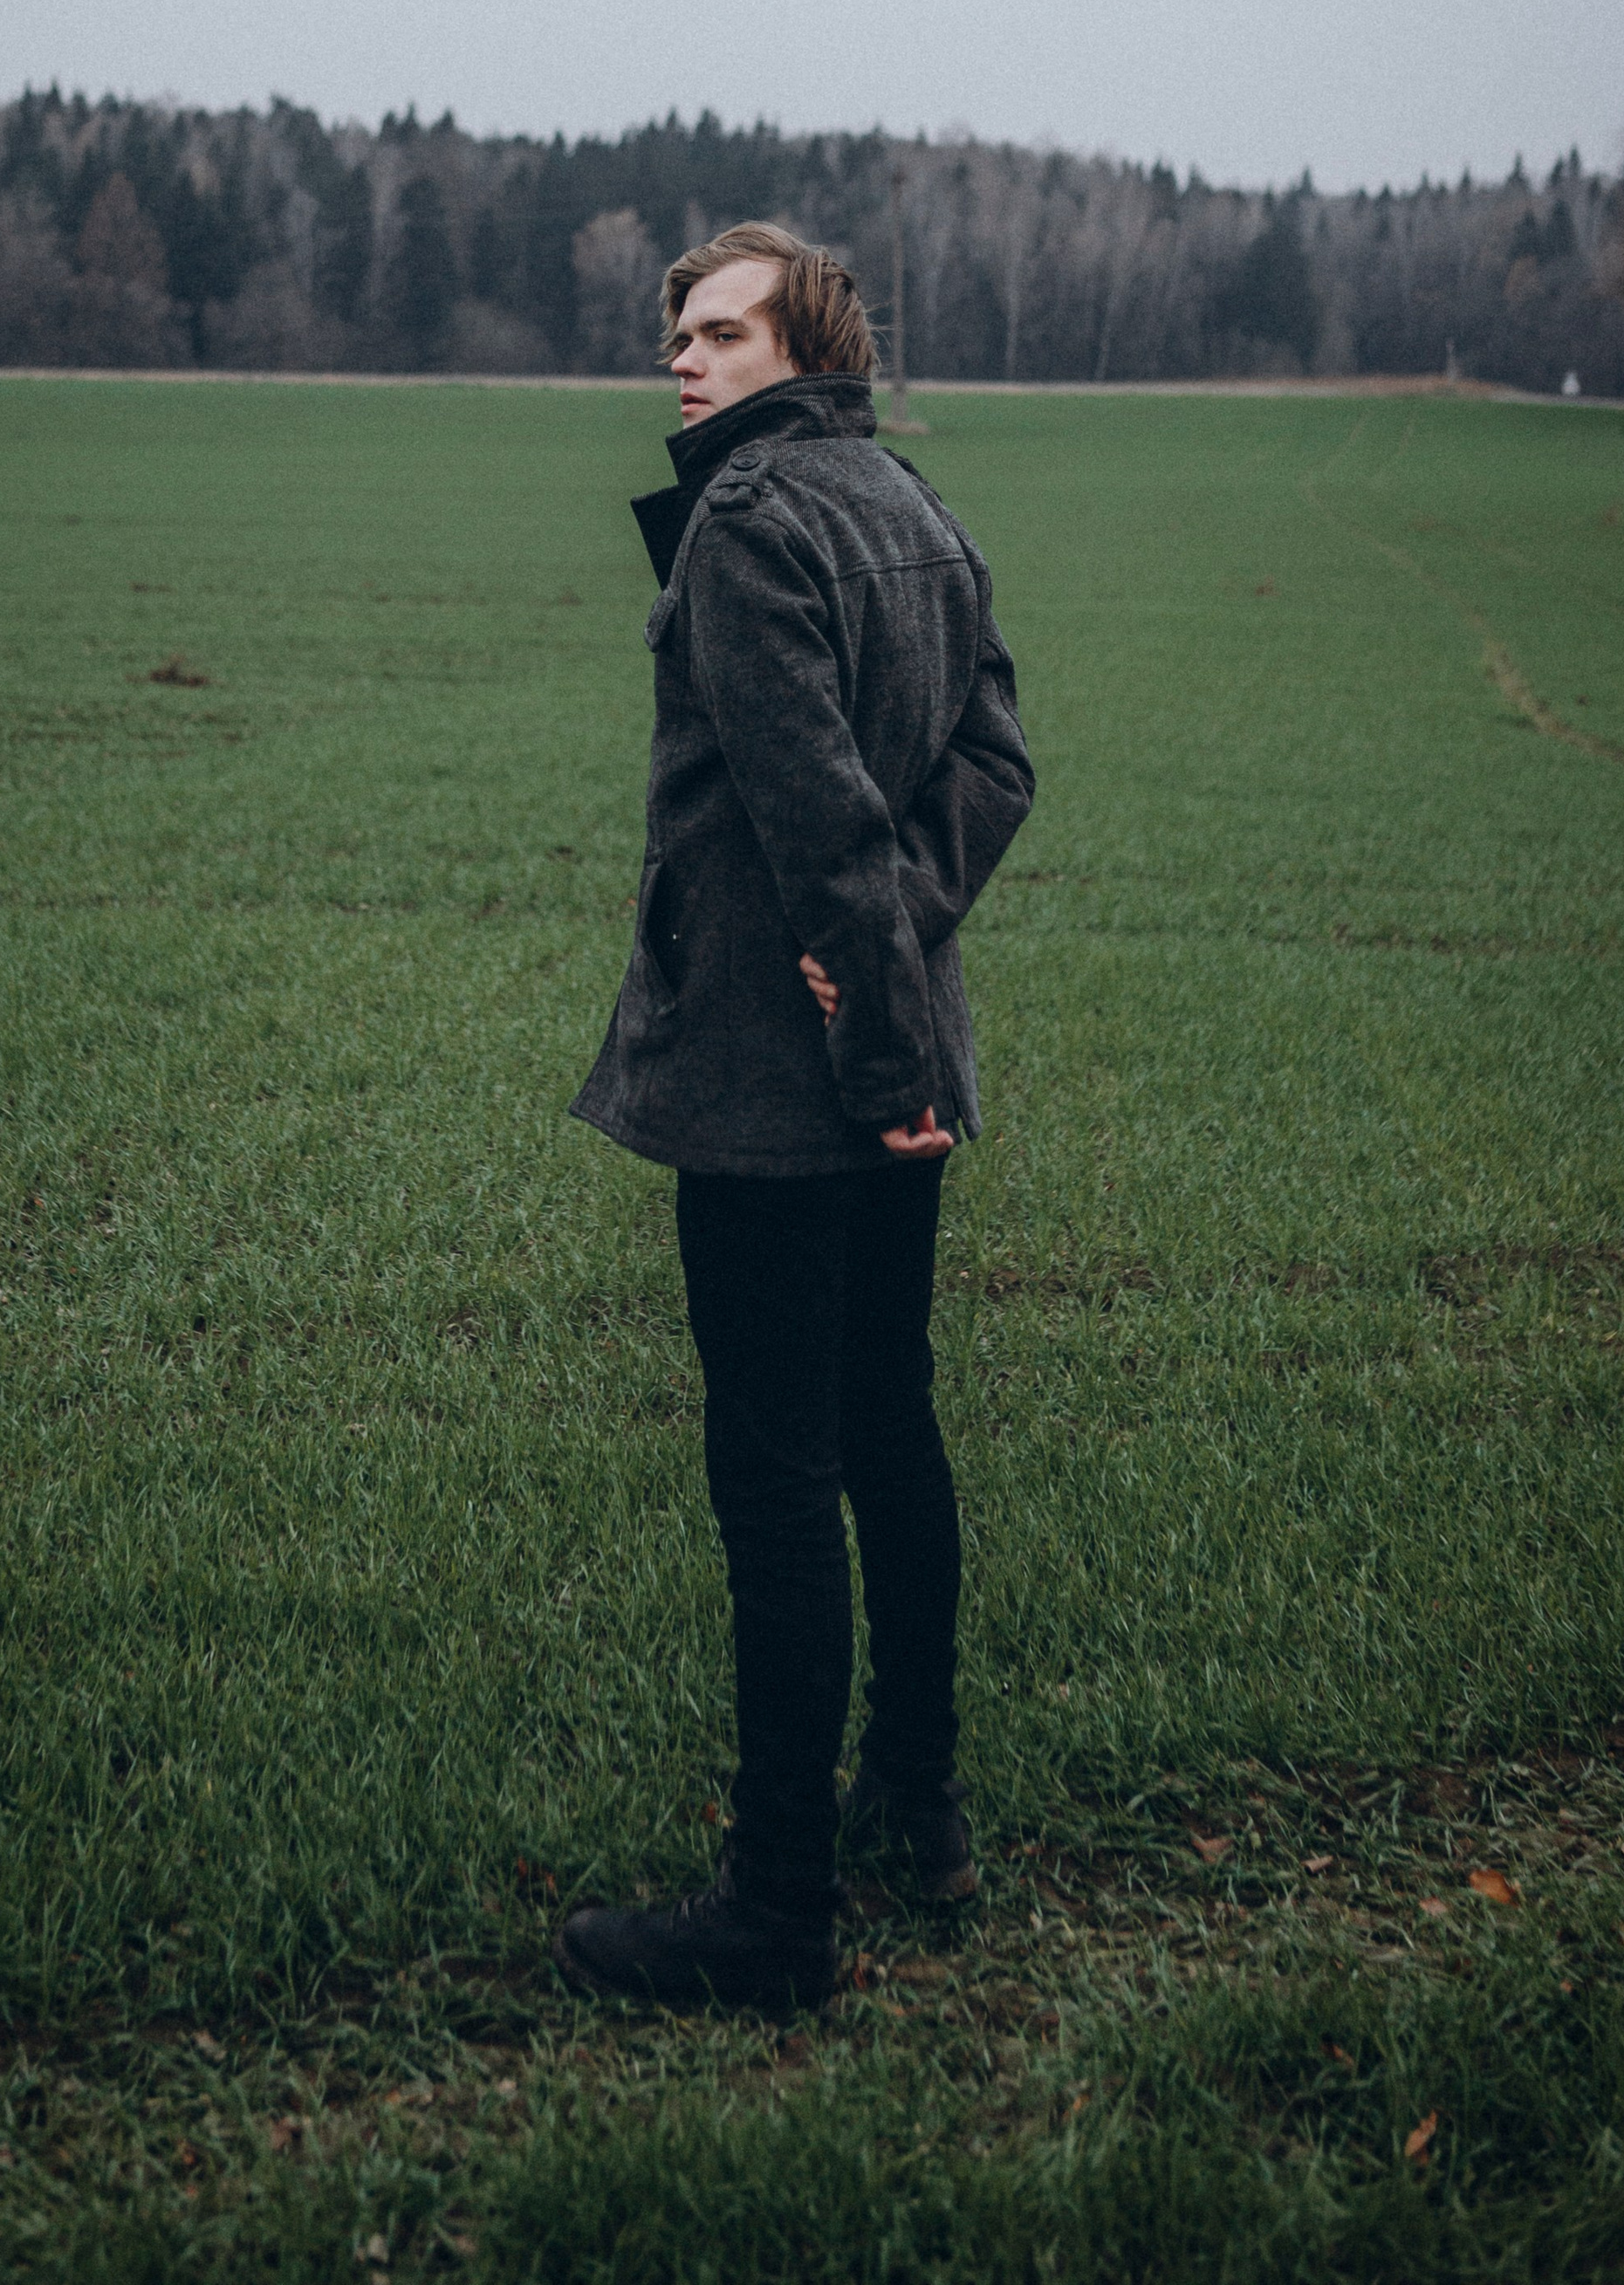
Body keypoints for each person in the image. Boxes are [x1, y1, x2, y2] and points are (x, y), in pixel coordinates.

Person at [556, 222, 1034, 2014]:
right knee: (887, 1431)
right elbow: (991, 771)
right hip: (879, 1063)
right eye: (674, 332)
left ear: (799, 346)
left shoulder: (753, 527)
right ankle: (918, 1805)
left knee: (781, 1480)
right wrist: (908, 975)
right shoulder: (914, 506)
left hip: (785, 1082)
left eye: (718, 331)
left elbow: (820, 826)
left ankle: (776, 1915)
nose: (680, 358)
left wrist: (878, 1045)